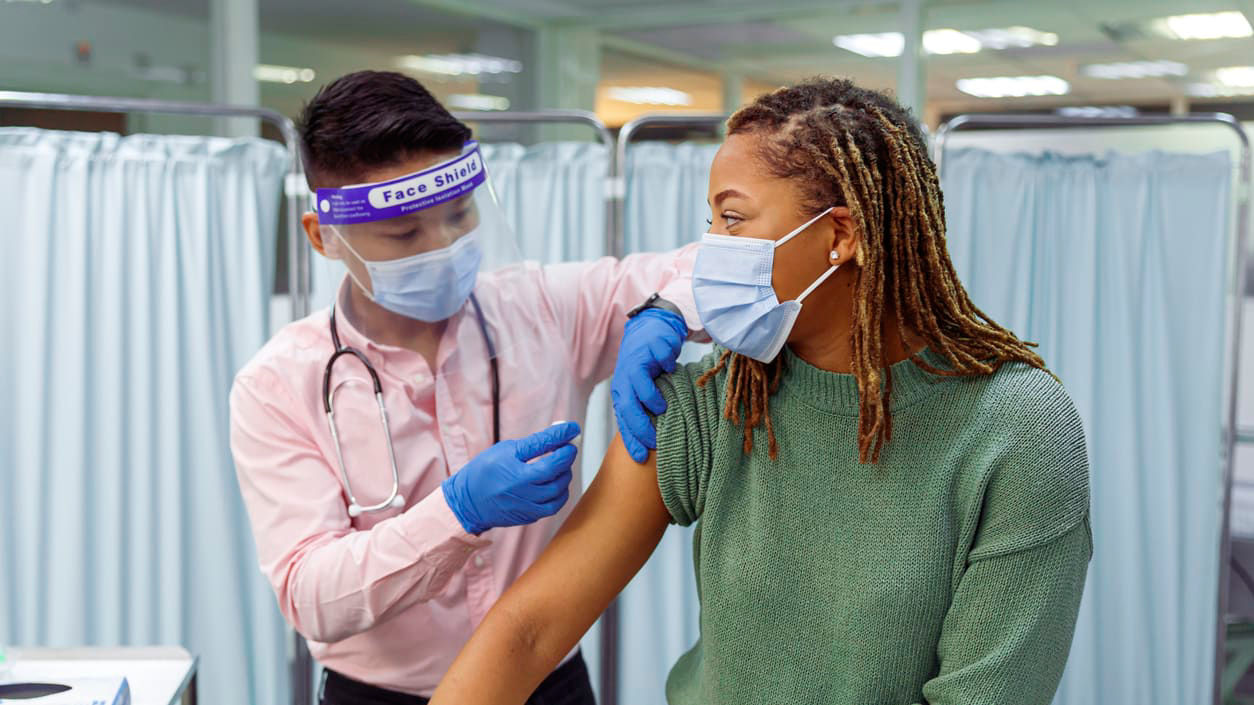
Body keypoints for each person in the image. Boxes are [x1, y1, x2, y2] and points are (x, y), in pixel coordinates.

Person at [429, 77, 1093, 705]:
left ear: (840, 235)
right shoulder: (716, 400)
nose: (709, 250)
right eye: (712, 221)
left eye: (732, 218)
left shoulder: (1017, 428)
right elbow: (530, 628)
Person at [229, 70, 700, 705]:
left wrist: (669, 307)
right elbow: (312, 596)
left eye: (459, 215)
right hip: (382, 696)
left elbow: (719, 266)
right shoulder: (279, 384)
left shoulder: (542, 309)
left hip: (548, 684)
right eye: (404, 234)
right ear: (323, 236)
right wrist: (456, 513)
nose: (445, 246)